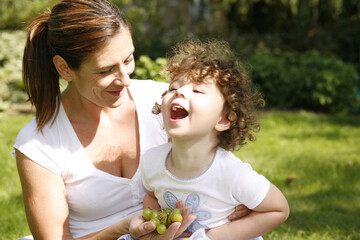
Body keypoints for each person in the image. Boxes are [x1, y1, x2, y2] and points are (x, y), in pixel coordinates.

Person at [14, 0, 249, 239]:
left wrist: (234, 201)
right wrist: (123, 228)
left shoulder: (162, 101)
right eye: (105, 71)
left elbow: (217, 168)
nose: (125, 80)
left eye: (128, 60)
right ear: (64, 69)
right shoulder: (38, 143)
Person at [141, 39, 290, 240]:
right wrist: (156, 226)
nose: (180, 92)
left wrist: (222, 235)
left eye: (198, 91)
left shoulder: (232, 174)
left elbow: (278, 209)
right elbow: (151, 196)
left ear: (223, 120)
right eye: (173, 88)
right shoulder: (152, 162)